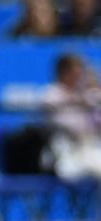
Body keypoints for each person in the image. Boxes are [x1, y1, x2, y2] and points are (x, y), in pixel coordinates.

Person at [43, 53, 101, 181]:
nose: (78, 78)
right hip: (63, 153)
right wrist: (81, 103)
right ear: (63, 73)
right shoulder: (52, 94)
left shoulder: (86, 95)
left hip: (86, 150)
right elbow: (70, 126)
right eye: (75, 73)